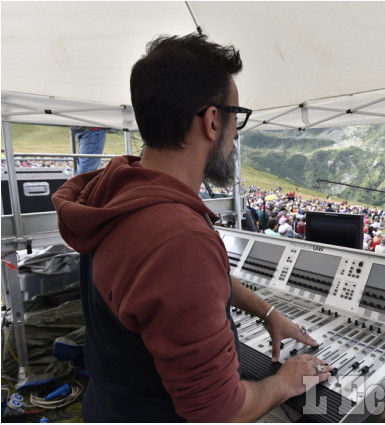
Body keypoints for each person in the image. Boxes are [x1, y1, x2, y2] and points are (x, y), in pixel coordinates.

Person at [52, 34, 331, 422]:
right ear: (213, 120)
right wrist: (286, 380)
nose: (236, 133)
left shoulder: (115, 191)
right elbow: (218, 412)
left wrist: (267, 313)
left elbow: (173, 286)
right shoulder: (179, 239)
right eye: (236, 116)